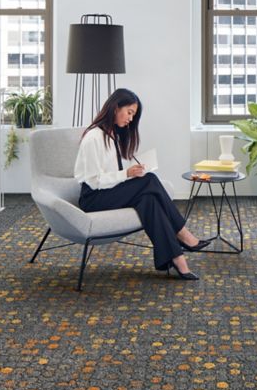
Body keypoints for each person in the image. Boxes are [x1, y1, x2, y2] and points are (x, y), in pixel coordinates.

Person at [74, 88, 209, 280]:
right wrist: (126, 174)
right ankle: (184, 235)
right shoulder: (94, 137)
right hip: (93, 198)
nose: (130, 119)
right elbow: (94, 181)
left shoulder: (113, 135)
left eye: (133, 115)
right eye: (129, 112)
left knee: (149, 201)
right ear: (115, 107)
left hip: (109, 192)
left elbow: (113, 173)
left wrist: (131, 173)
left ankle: (177, 259)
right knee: (151, 181)